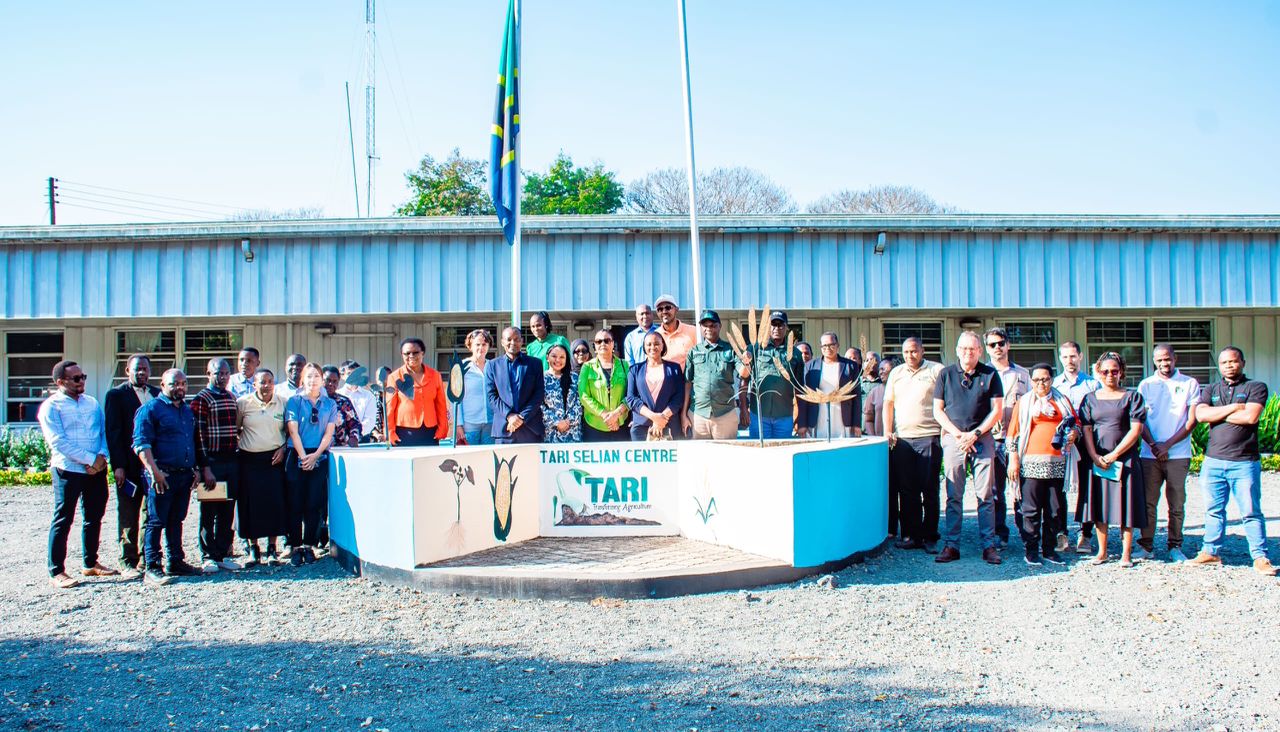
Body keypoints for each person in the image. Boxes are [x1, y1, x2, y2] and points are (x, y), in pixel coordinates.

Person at [1188, 347, 1276, 575]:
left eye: (1233, 361)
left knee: (1251, 511)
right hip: (1213, 461)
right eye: (1224, 362)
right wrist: (1234, 408)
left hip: (1244, 462)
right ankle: (1210, 552)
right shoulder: (1211, 389)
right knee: (1213, 510)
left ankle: (1260, 557)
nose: (1228, 366)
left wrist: (1218, 413)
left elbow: (1251, 416)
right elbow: (1200, 415)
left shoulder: (1255, 387)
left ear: (1242, 363)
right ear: (1219, 365)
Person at [38, 360, 115, 589]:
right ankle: (56, 571)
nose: (81, 381)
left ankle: (90, 562)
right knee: (64, 518)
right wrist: (90, 459)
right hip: (68, 469)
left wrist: (101, 457)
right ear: (60, 382)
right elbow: (58, 441)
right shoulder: (51, 407)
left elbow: (103, 432)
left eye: (83, 377)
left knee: (94, 516)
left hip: (96, 469)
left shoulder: (92, 403)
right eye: (76, 378)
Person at [932, 331, 1005, 565]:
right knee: (953, 494)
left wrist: (975, 434)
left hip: (982, 438)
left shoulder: (990, 374)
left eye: (972, 349)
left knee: (985, 495)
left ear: (980, 351)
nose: (968, 353)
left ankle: (989, 546)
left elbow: (997, 410)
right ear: (957, 350)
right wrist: (958, 435)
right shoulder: (945, 374)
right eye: (964, 348)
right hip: (954, 438)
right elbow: (937, 410)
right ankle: (952, 545)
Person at [133, 368, 203, 585]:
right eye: (174, 384)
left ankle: (175, 560)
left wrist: (196, 469)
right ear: (163, 385)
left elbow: (192, 441)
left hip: (184, 475)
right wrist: (154, 472)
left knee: (176, 519)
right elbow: (141, 444)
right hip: (162, 475)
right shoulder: (150, 409)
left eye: (183, 383)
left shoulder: (186, 411)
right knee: (156, 521)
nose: (179, 387)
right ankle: (152, 566)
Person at [1078, 352, 1148, 568]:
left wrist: (1115, 454)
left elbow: (1136, 430)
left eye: (1114, 371)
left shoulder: (1132, 397)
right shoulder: (1089, 399)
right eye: (1105, 371)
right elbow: (1086, 429)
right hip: (1098, 458)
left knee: (1127, 504)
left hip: (1125, 459)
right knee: (1101, 504)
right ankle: (1102, 552)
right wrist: (1094, 455)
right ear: (1098, 373)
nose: (1110, 375)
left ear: (1122, 372)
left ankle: (1126, 554)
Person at [1006, 363, 1077, 567]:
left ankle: (1049, 549)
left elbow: (1076, 423)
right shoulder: (1024, 403)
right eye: (1036, 380)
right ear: (1031, 381)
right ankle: (1031, 550)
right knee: (1031, 509)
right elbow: (1013, 433)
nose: (1040, 383)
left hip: (1057, 463)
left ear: (1052, 380)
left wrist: (1074, 433)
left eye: (1044, 379)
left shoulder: (1062, 401)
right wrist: (1013, 460)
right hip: (1030, 463)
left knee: (1055, 509)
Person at [1136, 344, 1199, 562]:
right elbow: (1140, 420)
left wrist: (1167, 445)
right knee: (1148, 502)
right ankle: (1146, 546)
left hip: (1178, 454)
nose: (1164, 363)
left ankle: (1175, 546)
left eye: (1168, 359)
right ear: (1154, 361)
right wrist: (1154, 445)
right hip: (1149, 454)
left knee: (1176, 503)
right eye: (1160, 360)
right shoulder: (1146, 385)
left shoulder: (1189, 383)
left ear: (1175, 358)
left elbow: (1191, 421)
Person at [884, 338, 945, 552]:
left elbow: (945, 401)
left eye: (914, 351)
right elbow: (888, 403)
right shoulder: (896, 373)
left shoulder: (936, 370)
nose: (910, 355)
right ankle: (911, 535)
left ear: (922, 351)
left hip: (929, 436)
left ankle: (930, 536)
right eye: (906, 352)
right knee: (907, 490)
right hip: (903, 439)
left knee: (929, 488)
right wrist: (888, 430)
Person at [103, 353, 160, 578]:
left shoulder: (156, 393)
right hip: (128, 466)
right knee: (128, 513)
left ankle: (148, 558)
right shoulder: (116, 395)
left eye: (145, 369)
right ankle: (128, 560)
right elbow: (113, 432)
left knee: (151, 513)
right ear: (127, 371)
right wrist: (118, 465)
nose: (141, 372)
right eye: (137, 369)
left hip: (153, 465)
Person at [284, 363, 340, 566]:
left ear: (322, 380)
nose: (313, 380)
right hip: (297, 454)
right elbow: (293, 430)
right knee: (295, 502)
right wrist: (303, 457)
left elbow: (329, 432)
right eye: (308, 376)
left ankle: (309, 545)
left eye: (316, 376)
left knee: (313, 503)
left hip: (319, 455)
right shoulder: (294, 401)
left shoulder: (329, 404)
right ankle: (295, 546)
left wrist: (315, 456)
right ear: (302, 380)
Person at [190, 358, 242, 573]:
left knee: (227, 509)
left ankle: (222, 553)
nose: (222, 377)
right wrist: (205, 467)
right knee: (209, 510)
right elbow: (198, 435)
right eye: (218, 373)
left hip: (231, 460)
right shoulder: (201, 399)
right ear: (208, 374)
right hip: (212, 461)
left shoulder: (231, 397)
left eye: (226, 373)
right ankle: (208, 555)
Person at [236, 368, 288, 566]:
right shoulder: (243, 403)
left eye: (269, 382)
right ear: (254, 384)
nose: (266, 386)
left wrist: (283, 448)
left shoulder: (283, 402)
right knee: (250, 505)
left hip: (274, 459)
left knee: (274, 503)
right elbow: (237, 428)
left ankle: (272, 549)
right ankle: (253, 549)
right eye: (262, 382)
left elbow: (289, 431)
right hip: (249, 460)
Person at [986, 327, 1032, 547]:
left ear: (1008, 345)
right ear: (987, 348)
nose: (997, 348)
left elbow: (1031, 403)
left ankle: (1027, 534)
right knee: (995, 490)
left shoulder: (1022, 374)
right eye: (992, 344)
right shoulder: (983, 373)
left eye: (1001, 343)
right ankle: (999, 533)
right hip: (991, 439)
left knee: (1021, 488)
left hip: (1017, 440)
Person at [1054, 341, 1101, 554]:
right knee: (1058, 488)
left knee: (1086, 487)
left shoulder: (1093, 385)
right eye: (1065, 357)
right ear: (1060, 358)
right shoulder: (1055, 385)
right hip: (1061, 442)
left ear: (1080, 357)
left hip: (1085, 441)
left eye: (1073, 356)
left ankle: (1085, 534)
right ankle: (1061, 533)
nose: (1069, 361)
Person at [740, 310, 804, 440]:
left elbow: (799, 388)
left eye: (780, 325)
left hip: (784, 415)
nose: (776, 328)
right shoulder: (755, 349)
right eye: (773, 325)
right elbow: (744, 380)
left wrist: (800, 416)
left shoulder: (795, 353)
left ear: (786, 327)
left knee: (782, 450)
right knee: (759, 450)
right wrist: (743, 408)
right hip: (759, 414)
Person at [682, 310, 742, 440]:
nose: (709, 328)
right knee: (700, 452)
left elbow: (743, 373)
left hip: (725, 414)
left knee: (726, 452)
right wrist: (683, 414)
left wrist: (747, 361)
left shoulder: (731, 349)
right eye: (705, 325)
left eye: (713, 325)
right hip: (699, 414)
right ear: (701, 327)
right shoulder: (694, 351)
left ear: (720, 326)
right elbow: (687, 383)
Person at [797, 331, 862, 440]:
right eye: (825, 345)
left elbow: (857, 396)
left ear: (837, 345)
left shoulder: (850, 366)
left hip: (842, 415)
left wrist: (857, 424)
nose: (828, 348)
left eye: (832, 345)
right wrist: (802, 424)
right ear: (821, 347)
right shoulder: (810, 366)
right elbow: (804, 397)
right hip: (818, 415)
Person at [385, 338, 449, 446]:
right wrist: (389, 432)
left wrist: (443, 428)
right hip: (403, 431)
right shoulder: (394, 377)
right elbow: (389, 408)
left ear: (422, 353)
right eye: (407, 353)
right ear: (402, 355)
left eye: (415, 352)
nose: (411, 356)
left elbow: (441, 405)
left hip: (430, 430)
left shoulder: (435, 375)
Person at [485, 326, 545, 444]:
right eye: (509, 339)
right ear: (502, 342)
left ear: (522, 341)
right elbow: (491, 396)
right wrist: (509, 415)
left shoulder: (535, 364)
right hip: (504, 429)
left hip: (530, 429)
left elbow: (539, 394)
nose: (513, 343)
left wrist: (522, 417)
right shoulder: (492, 365)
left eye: (517, 339)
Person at [626, 331, 686, 441]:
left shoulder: (674, 369)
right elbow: (631, 399)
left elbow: (679, 397)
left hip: (669, 425)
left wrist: (662, 419)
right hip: (641, 427)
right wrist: (654, 417)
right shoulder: (634, 370)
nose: (652, 347)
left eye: (656, 343)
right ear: (644, 347)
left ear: (663, 345)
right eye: (649, 344)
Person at [579, 329, 630, 442]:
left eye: (607, 341)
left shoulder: (625, 365)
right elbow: (583, 396)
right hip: (595, 425)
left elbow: (631, 394)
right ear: (595, 346)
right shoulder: (587, 367)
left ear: (613, 344)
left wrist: (616, 415)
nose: (603, 344)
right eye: (599, 341)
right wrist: (605, 415)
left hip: (620, 423)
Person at [457, 329, 494, 446]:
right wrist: (458, 425)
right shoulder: (461, 366)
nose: (481, 348)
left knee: (489, 455)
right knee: (471, 456)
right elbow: (456, 398)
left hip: (491, 422)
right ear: (470, 346)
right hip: (469, 423)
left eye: (484, 344)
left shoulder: (493, 366)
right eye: (477, 344)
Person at [543, 343, 583, 443]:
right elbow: (539, 405)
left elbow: (580, 402)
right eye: (554, 356)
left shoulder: (574, 377)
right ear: (547, 358)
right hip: (551, 433)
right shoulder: (541, 378)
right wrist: (557, 422)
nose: (558, 360)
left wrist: (569, 421)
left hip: (573, 432)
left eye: (562, 357)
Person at [654, 294, 698, 369]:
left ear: (676, 309)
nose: (664, 311)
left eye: (668, 308)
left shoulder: (693, 331)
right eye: (660, 309)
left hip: (687, 376)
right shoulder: (655, 335)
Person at [323, 365, 362, 448]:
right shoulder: (313, 400)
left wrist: (353, 437)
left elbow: (355, 424)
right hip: (316, 448)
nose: (331, 384)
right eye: (328, 380)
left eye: (335, 381)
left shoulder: (343, 402)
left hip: (339, 448)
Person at [339, 360, 378, 442]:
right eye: (349, 374)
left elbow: (370, 420)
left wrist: (355, 434)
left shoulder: (369, 396)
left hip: (362, 438)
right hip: (340, 438)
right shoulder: (337, 395)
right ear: (342, 376)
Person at [862, 358, 896, 437]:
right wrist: (874, 438)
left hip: (904, 439)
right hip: (881, 440)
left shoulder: (904, 389)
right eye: (879, 369)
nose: (880, 372)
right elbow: (868, 420)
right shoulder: (874, 392)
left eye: (883, 369)